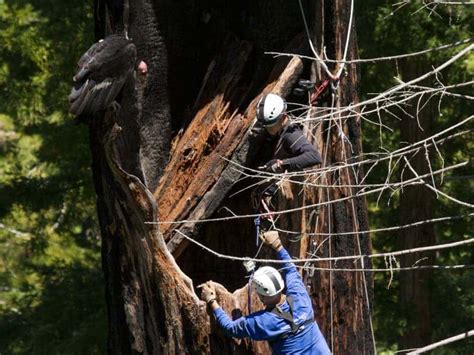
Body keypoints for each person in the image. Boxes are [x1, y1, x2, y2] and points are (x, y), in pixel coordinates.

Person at [199, 231, 331, 354]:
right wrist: (277, 245)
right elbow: (290, 270)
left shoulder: (264, 322)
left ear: (261, 296)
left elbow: (230, 328)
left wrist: (211, 300)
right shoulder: (300, 297)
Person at [256, 93, 322, 173]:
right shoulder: (278, 130)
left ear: (283, 117)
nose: (268, 129)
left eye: (271, 126)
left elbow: (314, 156)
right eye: (266, 126)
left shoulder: (291, 135)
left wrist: (282, 164)